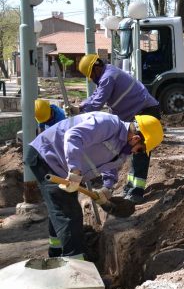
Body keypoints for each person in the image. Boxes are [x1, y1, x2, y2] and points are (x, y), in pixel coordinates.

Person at [25, 112, 164, 260]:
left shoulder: (123, 148)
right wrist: (75, 171)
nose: (138, 153)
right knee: (69, 214)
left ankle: (57, 254)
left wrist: (107, 188)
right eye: (141, 149)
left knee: (60, 208)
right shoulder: (107, 124)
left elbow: (110, 164)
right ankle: (76, 269)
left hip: (61, 166)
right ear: (135, 138)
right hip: (47, 156)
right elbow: (73, 136)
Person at [73, 54, 162, 204]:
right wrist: (80, 106)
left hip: (144, 112)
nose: (92, 79)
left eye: (91, 75)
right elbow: (95, 95)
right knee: (124, 149)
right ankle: (128, 188)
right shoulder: (107, 75)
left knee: (139, 151)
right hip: (134, 113)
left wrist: (80, 112)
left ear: (97, 67)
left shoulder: (109, 76)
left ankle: (136, 192)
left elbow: (97, 103)